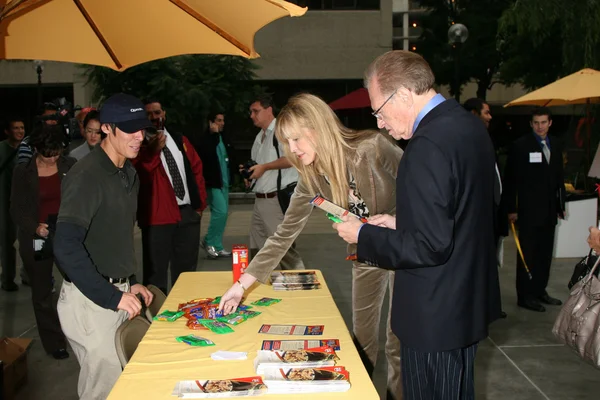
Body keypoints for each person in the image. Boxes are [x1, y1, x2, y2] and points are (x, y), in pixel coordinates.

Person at [334, 50, 501, 399]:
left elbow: (429, 246)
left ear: (405, 94)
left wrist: (363, 234)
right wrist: (401, 221)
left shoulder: (425, 146)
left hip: (434, 318)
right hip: (464, 305)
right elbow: (467, 208)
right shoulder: (467, 125)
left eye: (379, 110)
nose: (380, 123)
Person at [219, 93, 404, 399]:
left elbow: (424, 188)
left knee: (398, 342)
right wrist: (241, 285)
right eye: (286, 142)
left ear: (317, 128)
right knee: (362, 342)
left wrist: (399, 220)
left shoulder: (373, 147)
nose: (291, 150)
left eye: (295, 140)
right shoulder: (311, 178)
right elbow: (282, 235)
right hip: (366, 257)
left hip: (405, 251)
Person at [53, 93, 155, 399]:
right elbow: (66, 245)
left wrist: (131, 282)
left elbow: (116, 237)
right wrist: (112, 296)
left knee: (130, 386)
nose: (139, 136)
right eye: (130, 129)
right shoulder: (87, 175)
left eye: (142, 128)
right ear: (107, 129)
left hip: (117, 293)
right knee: (104, 392)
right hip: (91, 301)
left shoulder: (129, 173)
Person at [10, 124, 74, 359]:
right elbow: (16, 209)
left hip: (67, 233)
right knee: (42, 292)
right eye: (48, 155)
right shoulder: (22, 172)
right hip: (37, 237)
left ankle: (79, 332)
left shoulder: (71, 166)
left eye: (57, 153)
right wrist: (35, 227)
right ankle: (54, 342)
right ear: (36, 149)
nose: (53, 159)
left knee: (77, 283)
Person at [134, 99, 207, 295]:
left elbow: (197, 169)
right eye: (149, 114)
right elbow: (142, 173)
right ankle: (155, 318)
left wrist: (199, 206)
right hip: (157, 217)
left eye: (157, 113)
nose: (154, 117)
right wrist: (152, 151)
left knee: (186, 273)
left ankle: (183, 313)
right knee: (155, 275)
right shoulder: (138, 144)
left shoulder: (179, 138)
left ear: (163, 114)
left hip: (187, 213)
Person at [503, 107, 566, 312]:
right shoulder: (521, 146)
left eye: (543, 122)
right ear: (531, 124)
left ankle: (540, 290)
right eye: (536, 123)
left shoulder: (555, 145)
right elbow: (511, 180)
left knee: (545, 254)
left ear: (550, 123)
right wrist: (512, 208)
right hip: (528, 212)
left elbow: (558, 179)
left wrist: (560, 206)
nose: (540, 126)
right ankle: (525, 295)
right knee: (527, 254)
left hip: (549, 211)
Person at [246, 94, 304, 268]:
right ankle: (260, 282)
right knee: (258, 247)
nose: (252, 115)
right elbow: (259, 165)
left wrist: (265, 167)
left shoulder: (281, 130)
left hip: (275, 200)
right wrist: (251, 174)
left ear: (269, 109)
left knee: (282, 248)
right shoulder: (260, 136)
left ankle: (299, 284)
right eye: (251, 112)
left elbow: (294, 158)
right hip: (261, 199)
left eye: (256, 111)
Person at [463, 98, 508, 319]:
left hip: (492, 213)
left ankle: (489, 306)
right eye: (486, 112)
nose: (490, 117)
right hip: (477, 216)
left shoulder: (485, 139)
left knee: (490, 262)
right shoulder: (465, 140)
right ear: (474, 113)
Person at [193, 112, 233, 259]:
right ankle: (208, 241)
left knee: (223, 215)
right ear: (210, 122)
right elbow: (207, 156)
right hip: (212, 183)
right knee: (220, 212)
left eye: (223, 120)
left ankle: (217, 245)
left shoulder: (223, 137)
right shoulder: (205, 140)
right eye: (218, 121)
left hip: (224, 182)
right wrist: (214, 135)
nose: (221, 123)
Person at [0, 118, 25, 291]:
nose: (20, 131)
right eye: (15, 128)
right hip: (2, 200)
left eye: (22, 128)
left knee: (11, 240)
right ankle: (7, 279)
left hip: (16, 202)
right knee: (5, 240)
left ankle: (9, 279)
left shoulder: (26, 150)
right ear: (7, 131)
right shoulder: (1, 149)